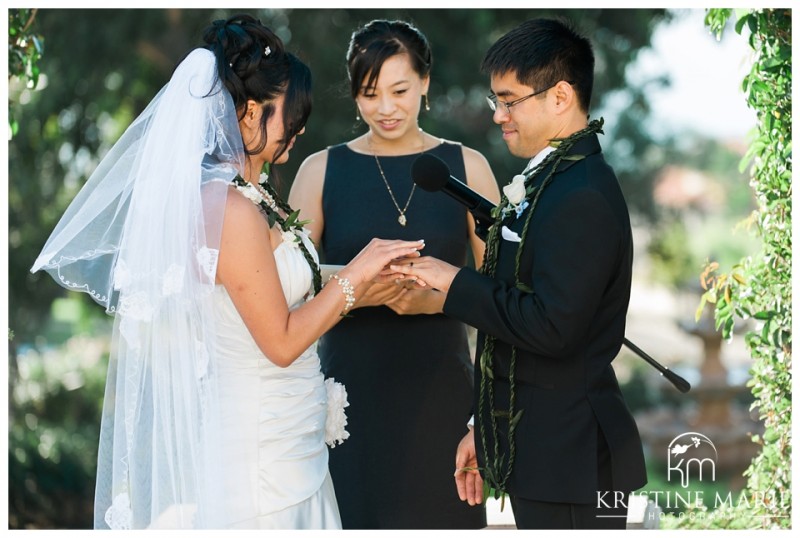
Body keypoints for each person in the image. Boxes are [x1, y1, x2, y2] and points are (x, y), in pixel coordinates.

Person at [30, 14, 424, 530]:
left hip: (292, 442)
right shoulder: (229, 208)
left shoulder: (253, 195)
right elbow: (281, 341)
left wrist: (374, 277)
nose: (299, 129)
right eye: (292, 116)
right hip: (259, 458)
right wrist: (357, 276)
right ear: (250, 111)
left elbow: (287, 284)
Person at [389, 18, 647, 530]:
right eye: (495, 102)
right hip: (542, 454)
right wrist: (483, 429)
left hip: (574, 465)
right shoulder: (553, 181)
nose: (499, 116)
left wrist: (453, 284)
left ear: (560, 97)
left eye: (510, 101)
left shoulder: (584, 194)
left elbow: (552, 328)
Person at [289, 19, 499, 529]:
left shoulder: (467, 167)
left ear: (425, 83)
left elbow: (506, 294)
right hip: (348, 403)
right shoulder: (321, 170)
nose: (385, 108)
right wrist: (360, 287)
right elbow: (287, 284)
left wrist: (444, 296)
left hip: (444, 402)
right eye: (369, 93)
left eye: (400, 90)